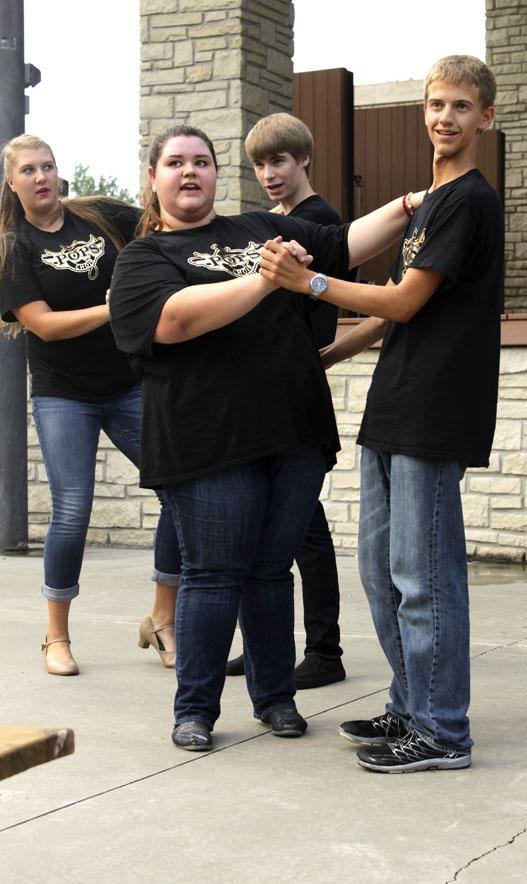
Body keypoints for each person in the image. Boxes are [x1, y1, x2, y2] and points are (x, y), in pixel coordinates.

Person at [108, 124, 424, 752]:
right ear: (154, 177)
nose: (190, 172)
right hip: (209, 442)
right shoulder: (143, 258)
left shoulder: (258, 228)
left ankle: (276, 698)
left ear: (216, 174)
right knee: (214, 574)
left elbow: (341, 243)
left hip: (294, 430)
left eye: (202, 161)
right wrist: (268, 280)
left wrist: (415, 204)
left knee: (271, 571)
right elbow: (173, 321)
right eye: (175, 163)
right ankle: (195, 709)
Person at [259, 55, 504, 773]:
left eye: (461, 106)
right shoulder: (431, 201)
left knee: (425, 577)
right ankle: (410, 704)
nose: (444, 118)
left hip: (435, 412)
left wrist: (311, 282)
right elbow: (395, 306)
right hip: (393, 406)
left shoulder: (470, 201)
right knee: (378, 569)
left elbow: (401, 300)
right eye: (435, 104)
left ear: (484, 117)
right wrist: (328, 356)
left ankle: (443, 730)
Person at [0, 134, 181, 676]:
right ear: (12, 183)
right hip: (63, 394)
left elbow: (158, 215)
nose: (41, 177)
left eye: (48, 166)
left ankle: (162, 620)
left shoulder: (98, 217)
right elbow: (44, 326)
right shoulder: (13, 247)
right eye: (28, 170)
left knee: (178, 485)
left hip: (127, 382)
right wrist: (113, 310)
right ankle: (56, 636)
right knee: (73, 510)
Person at [225, 112, 345, 689]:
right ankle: (269, 646)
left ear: (303, 160)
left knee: (304, 533)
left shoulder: (317, 222)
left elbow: (323, 322)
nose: (269, 173)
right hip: (267, 398)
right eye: (259, 164)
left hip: (294, 402)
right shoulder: (273, 223)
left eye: (279, 161)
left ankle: (324, 651)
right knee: (275, 532)